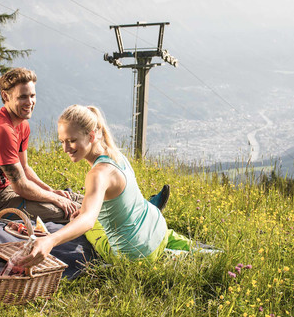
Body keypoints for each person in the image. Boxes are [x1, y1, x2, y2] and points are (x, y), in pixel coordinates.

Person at [19, 104, 192, 267]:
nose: (65, 148)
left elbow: (87, 220)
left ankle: (171, 256)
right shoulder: (116, 155)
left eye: (71, 140)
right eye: (62, 141)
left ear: (92, 136)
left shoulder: (98, 174)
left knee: (87, 226)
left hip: (135, 256)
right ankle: (195, 250)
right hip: (157, 228)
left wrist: (51, 240)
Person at [0, 68, 82, 223]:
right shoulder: (2, 130)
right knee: (67, 211)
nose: (30, 102)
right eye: (23, 97)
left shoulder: (22, 124)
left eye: (32, 95)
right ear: (5, 96)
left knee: (81, 200)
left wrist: (51, 191)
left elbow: (24, 168)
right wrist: (54, 198)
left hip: (8, 189)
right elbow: (20, 185)